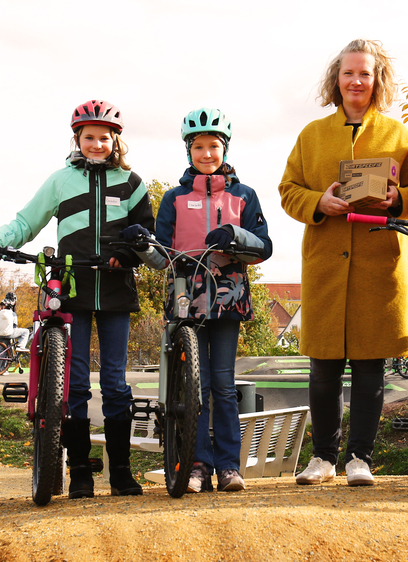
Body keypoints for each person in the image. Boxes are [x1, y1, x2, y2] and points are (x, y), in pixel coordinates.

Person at [0, 100, 164, 498]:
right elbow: (27, 221)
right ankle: (79, 471)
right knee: (75, 384)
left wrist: (127, 254)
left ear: (116, 140)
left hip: (114, 288)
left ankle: (122, 473)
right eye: (89, 137)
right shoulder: (61, 180)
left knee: (115, 383)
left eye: (104, 137)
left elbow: (146, 234)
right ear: (77, 138)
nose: (97, 144)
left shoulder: (131, 183)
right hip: (73, 289)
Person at [279, 39, 408, 486]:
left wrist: (400, 198)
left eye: (365, 73)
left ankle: (360, 458)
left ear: (378, 81)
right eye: (349, 73)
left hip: (378, 263)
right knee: (323, 366)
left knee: (370, 365)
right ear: (335, 80)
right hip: (325, 262)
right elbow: (288, 190)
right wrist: (320, 200)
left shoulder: (399, 136)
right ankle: (322, 458)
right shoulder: (312, 135)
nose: (357, 81)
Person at [152, 108, 272, 492]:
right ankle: (196, 465)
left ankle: (229, 467)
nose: (206, 153)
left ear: (225, 149)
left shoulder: (244, 195)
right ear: (189, 151)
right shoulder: (173, 198)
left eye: (213, 146)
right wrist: (143, 245)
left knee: (221, 384)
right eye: (199, 146)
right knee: (194, 386)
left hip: (227, 298)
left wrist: (235, 237)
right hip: (187, 297)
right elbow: (159, 254)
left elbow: (264, 246)